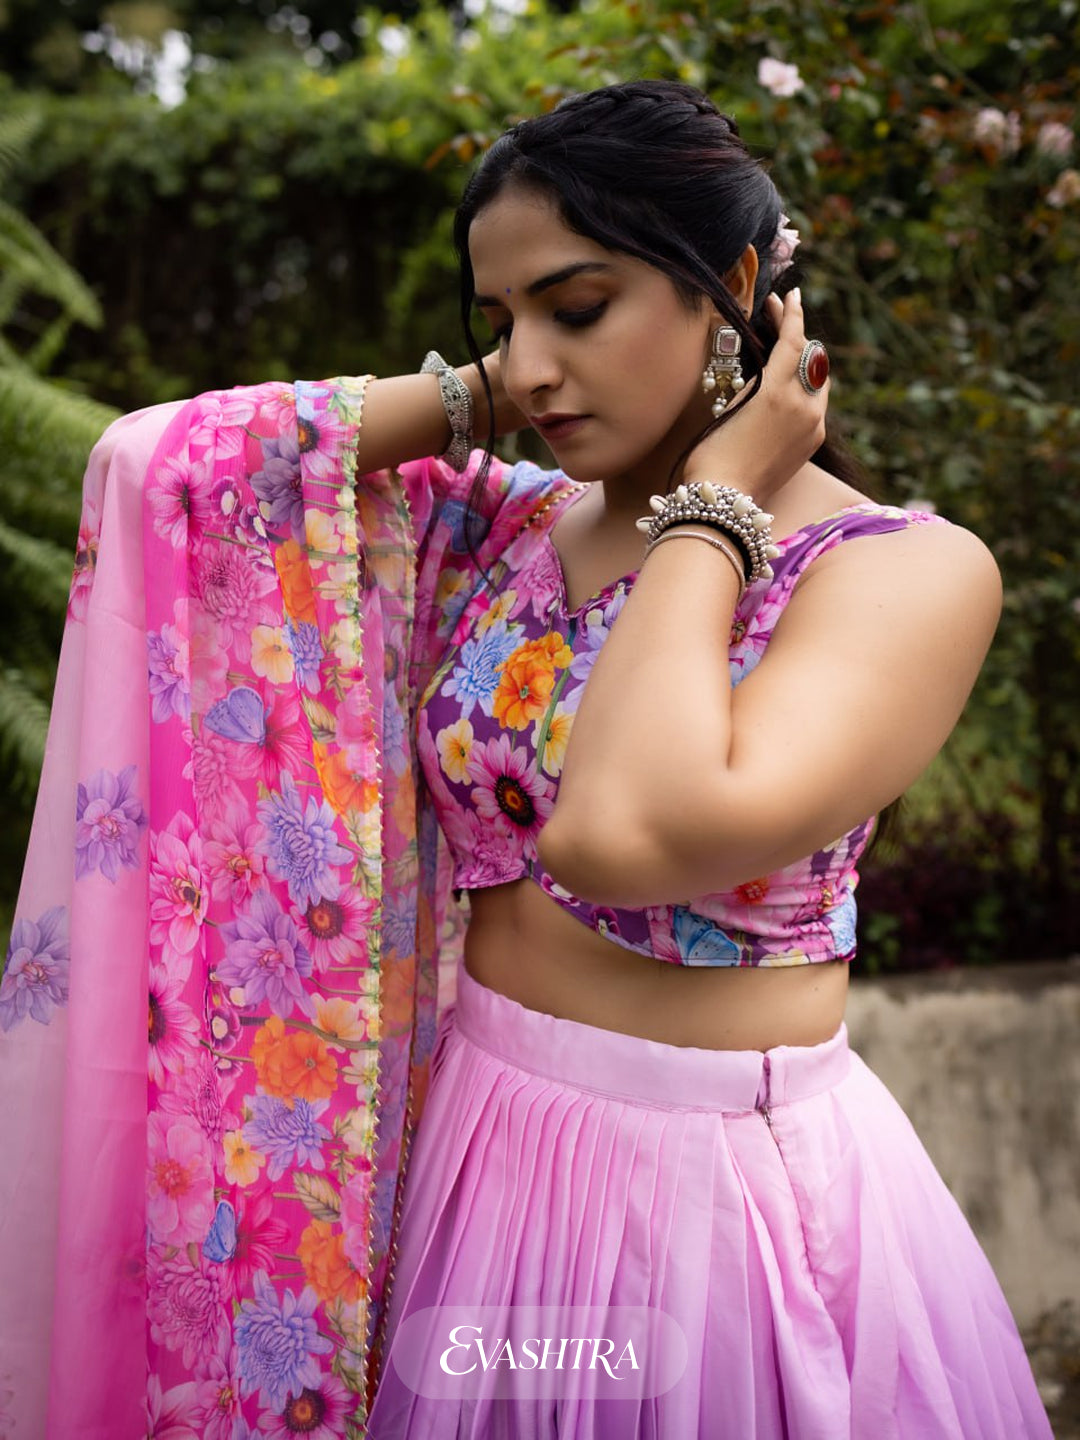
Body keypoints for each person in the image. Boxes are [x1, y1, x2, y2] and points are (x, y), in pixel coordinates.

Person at [0, 79, 1051, 1439]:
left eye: (580, 306)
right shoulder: (510, 530)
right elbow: (167, 474)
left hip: (706, 1208)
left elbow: (626, 831)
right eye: (504, 322)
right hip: (476, 1154)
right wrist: (483, 392)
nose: (535, 365)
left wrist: (713, 507)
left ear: (732, 282)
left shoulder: (903, 573)